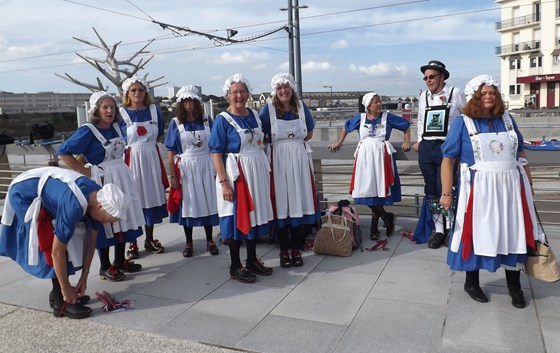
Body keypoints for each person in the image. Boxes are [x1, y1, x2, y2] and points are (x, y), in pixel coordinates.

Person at [440, 75, 542, 309]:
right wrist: (447, 193)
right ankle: (471, 283)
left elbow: (521, 154)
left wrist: (529, 183)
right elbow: (448, 159)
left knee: (511, 232)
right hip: (478, 189)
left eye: (492, 93)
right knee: (476, 233)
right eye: (483, 94)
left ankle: (515, 288)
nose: (489, 97)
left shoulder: (507, 119)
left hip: (510, 189)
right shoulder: (462, 122)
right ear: (475, 97)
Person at [0, 167, 127, 319]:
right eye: (107, 220)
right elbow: (57, 252)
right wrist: (66, 288)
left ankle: (56, 294)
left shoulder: (99, 196)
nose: (106, 223)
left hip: (47, 187)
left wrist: (84, 278)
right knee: (50, 239)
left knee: (67, 236)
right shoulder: (73, 205)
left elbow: (91, 243)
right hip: (24, 193)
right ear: (100, 206)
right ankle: (61, 303)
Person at [58, 91, 145, 281]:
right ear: (97, 110)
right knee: (104, 219)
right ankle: (105, 265)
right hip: (102, 178)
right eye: (105, 107)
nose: (110, 111)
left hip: (121, 174)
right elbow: (64, 151)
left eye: (112, 107)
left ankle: (120, 261)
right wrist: (84, 171)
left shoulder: (117, 128)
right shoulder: (88, 130)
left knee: (122, 215)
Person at [209, 73, 274, 283]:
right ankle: (235, 265)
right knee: (235, 217)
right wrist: (224, 182)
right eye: (234, 92)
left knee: (254, 216)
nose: (239, 95)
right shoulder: (222, 120)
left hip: (255, 171)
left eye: (242, 91)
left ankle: (252, 260)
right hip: (236, 173)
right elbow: (216, 152)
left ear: (248, 93)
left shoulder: (255, 115)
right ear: (228, 95)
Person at [328, 92, 411, 239]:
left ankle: (374, 227)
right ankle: (386, 217)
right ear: (368, 105)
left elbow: (406, 126)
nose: (379, 104)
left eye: (379, 101)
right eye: (375, 102)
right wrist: (338, 143)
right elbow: (346, 128)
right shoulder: (360, 118)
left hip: (381, 157)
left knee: (377, 192)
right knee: (365, 190)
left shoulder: (387, 117)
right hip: (365, 158)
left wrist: (407, 142)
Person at [259, 73, 319, 268]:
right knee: (282, 203)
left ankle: (296, 249)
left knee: (298, 201)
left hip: (298, 158)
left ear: (292, 88)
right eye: (279, 88)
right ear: (275, 91)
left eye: (286, 87)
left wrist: (295, 144)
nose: (283, 91)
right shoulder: (267, 110)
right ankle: (284, 249)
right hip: (277, 159)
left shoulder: (301, 107)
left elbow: (309, 132)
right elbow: (260, 134)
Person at [412, 60, 466, 248]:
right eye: (425, 77)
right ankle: (438, 229)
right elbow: (420, 119)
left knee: (448, 187)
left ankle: (451, 227)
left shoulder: (455, 93)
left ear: (442, 76)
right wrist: (420, 139)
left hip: (448, 148)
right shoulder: (424, 96)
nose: (428, 80)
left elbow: (466, 117)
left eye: (432, 77)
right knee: (431, 189)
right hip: (427, 146)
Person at [164, 85, 219, 257]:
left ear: (197, 103)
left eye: (192, 101)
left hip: (205, 166)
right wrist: (173, 175)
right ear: (181, 104)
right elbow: (171, 152)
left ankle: (210, 240)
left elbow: (215, 145)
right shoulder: (176, 123)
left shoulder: (206, 120)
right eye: (185, 101)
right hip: (186, 168)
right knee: (188, 204)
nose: (189, 105)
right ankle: (189, 242)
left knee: (208, 202)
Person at [120, 76, 169, 259]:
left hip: (151, 158)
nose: (137, 94)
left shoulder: (155, 111)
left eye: (140, 90)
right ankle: (133, 242)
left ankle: (149, 238)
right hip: (132, 160)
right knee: (135, 199)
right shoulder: (121, 114)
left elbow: (159, 134)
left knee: (150, 197)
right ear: (127, 93)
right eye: (133, 90)